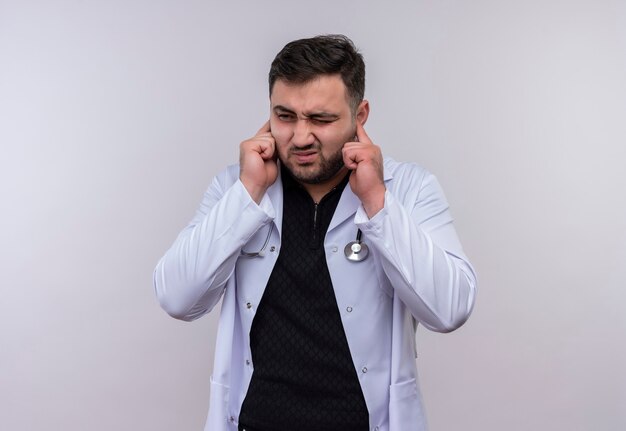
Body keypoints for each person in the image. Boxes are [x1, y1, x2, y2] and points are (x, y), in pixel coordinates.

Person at [154, 34, 477, 431]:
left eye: (321, 120)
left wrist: (377, 201)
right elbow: (177, 298)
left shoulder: (407, 189)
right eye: (285, 116)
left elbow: (449, 309)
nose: (301, 137)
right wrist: (248, 194)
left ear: (360, 116)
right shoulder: (237, 188)